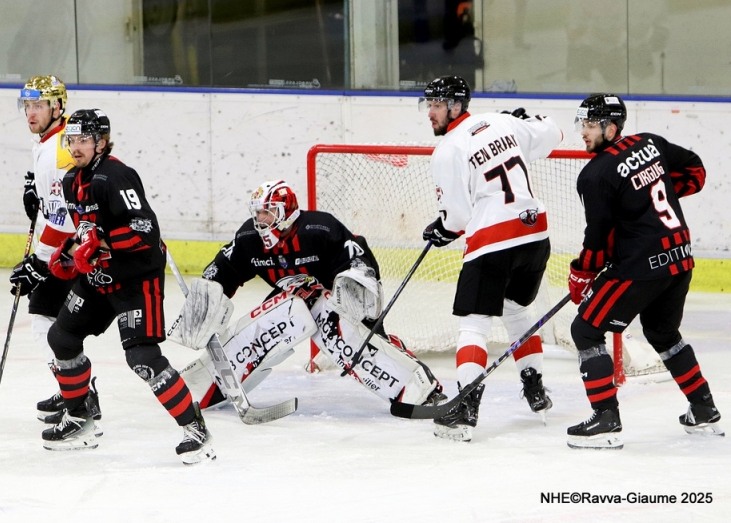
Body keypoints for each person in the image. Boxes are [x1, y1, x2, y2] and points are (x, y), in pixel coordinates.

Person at [177, 179, 447, 411]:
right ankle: (203, 384)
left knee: (354, 341)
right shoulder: (249, 239)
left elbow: (357, 254)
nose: (260, 220)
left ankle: (421, 390)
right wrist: (208, 294)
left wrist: (357, 284)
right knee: (261, 328)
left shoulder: (319, 229)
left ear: (287, 212)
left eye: (268, 213)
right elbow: (224, 268)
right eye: (258, 213)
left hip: (335, 300)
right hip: (293, 298)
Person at [43, 109, 214, 464]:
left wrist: (100, 245)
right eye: (71, 140)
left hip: (137, 280)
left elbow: (145, 232)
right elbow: (87, 230)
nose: (75, 147)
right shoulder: (70, 182)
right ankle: (80, 415)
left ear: (101, 142)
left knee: (143, 359)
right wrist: (71, 251)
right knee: (61, 338)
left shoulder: (116, 176)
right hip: (100, 278)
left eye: (83, 140)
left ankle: (195, 429)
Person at [566, 93, 722, 449]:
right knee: (663, 333)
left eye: (590, 126)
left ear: (611, 126)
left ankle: (605, 419)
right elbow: (695, 172)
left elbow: (598, 238)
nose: (584, 133)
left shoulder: (596, 174)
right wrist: (646, 208)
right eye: (583, 125)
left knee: (585, 330)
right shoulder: (649, 143)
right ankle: (703, 408)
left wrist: (582, 272)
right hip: (679, 259)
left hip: (642, 269)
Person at [419, 75, 564, 442]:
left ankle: (466, 409)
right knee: (517, 311)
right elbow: (554, 134)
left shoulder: (448, 149)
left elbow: (458, 218)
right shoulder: (502, 121)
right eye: (429, 105)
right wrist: (524, 121)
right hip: (535, 235)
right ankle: (535, 387)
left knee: (473, 325)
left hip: (494, 241)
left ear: (455, 106)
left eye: (436, 105)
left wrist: (443, 229)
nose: (430, 113)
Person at [8, 76, 102, 425]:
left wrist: (37, 262)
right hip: (77, 246)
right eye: (27, 105)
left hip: (72, 250)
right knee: (55, 322)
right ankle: (74, 390)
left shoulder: (55, 149)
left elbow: (64, 220)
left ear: (57, 107)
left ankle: (79, 395)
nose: (30, 113)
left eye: (38, 105)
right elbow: (61, 202)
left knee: (46, 320)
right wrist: (39, 199)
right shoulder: (55, 141)